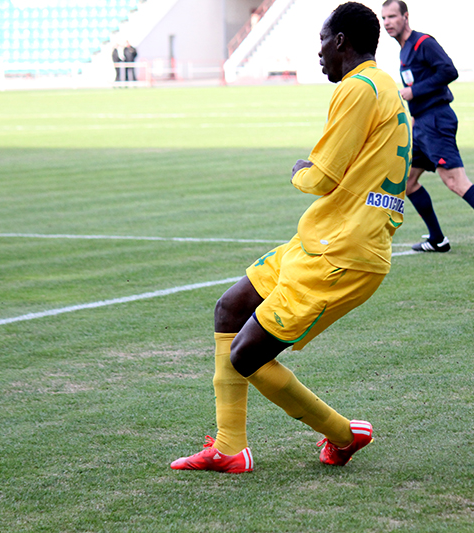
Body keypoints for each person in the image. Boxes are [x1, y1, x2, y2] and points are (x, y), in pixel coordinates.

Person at [170, 2, 411, 473]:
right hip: (323, 239)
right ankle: (230, 448)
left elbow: (322, 176)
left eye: (322, 41)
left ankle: (343, 434)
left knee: (245, 355)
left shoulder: (358, 86)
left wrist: (300, 170)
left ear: (340, 41)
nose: (319, 52)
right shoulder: (384, 86)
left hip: (341, 252)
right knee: (230, 308)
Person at [381, 0, 474, 259]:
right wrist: (413, 123)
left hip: (436, 121)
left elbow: (449, 71)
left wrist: (414, 91)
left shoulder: (423, 43)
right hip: (422, 124)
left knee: (455, 181)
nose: (387, 22)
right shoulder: (404, 50)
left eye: (392, 16)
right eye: (384, 18)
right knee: (407, 181)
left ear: (406, 16)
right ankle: (437, 240)